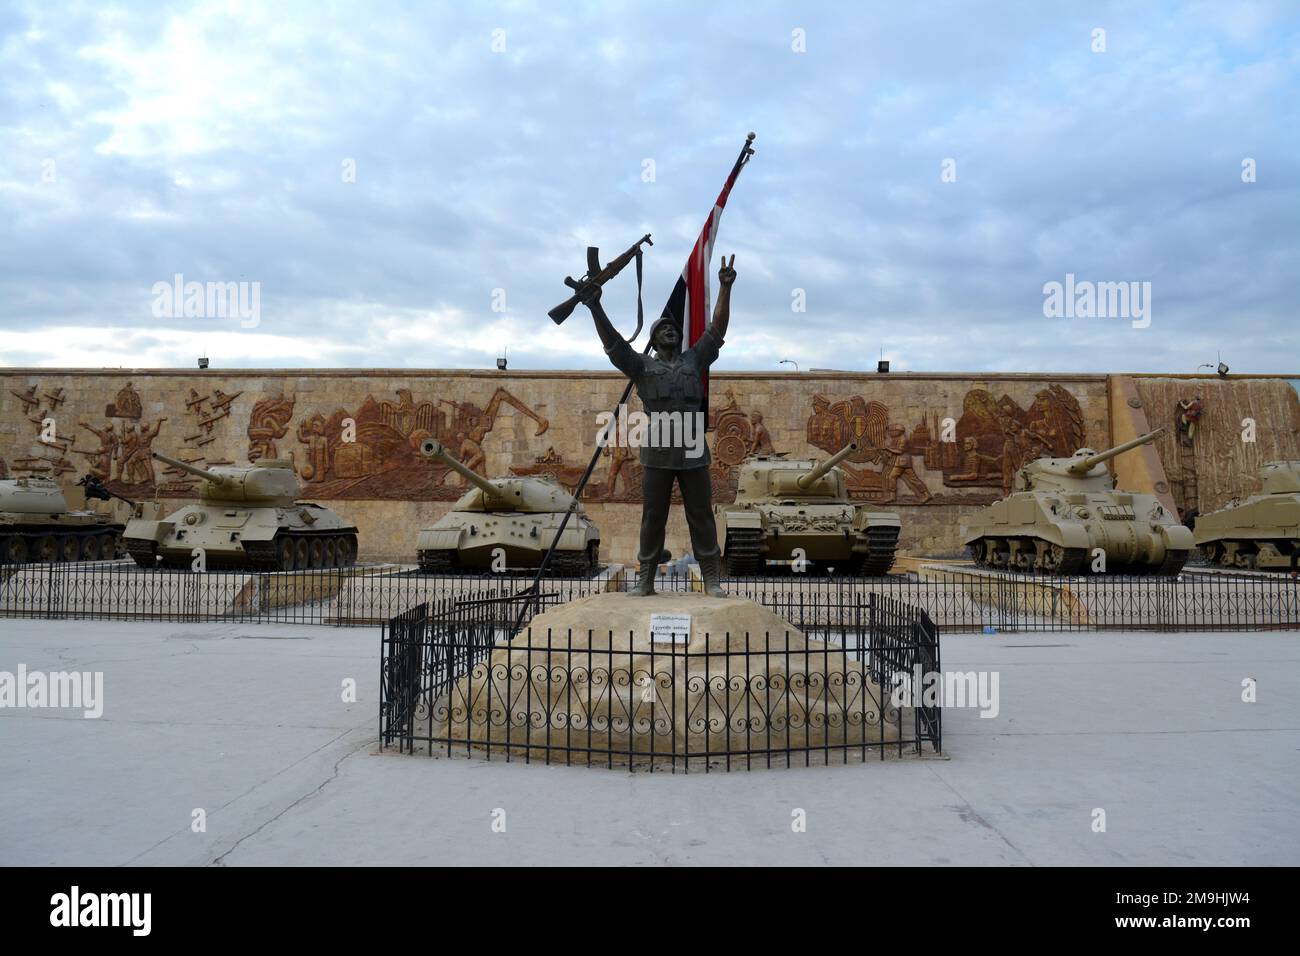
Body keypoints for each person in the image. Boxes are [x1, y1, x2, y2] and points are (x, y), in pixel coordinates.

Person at [583, 254, 736, 596]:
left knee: (701, 515)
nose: (670, 329)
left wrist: (725, 288)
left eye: (673, 328)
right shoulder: (641, 367)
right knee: (653, 516)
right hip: (657, 446)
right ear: (653, 340)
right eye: (662, 328)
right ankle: (646, 578)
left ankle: (712, 578)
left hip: (693, 446)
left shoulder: (694, 359)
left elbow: (717, 329)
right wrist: (595, 308)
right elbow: (614, 345)